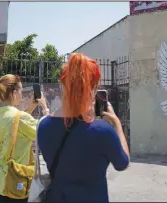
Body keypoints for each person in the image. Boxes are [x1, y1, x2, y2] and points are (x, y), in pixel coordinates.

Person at [37, 53, 130, 202]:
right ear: (92, 90)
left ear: (63, 86)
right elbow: (123, 163)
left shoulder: (43, 126)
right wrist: (117, 124)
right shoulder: (104, 131)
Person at [0, 74, 49, 202]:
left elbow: (16, 128)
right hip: (16, 183)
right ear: (14, 93)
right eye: (21, 91)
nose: (22, 96)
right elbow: (47, 132)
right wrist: (45, 108)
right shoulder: (20, 117)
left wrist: (30, 109)